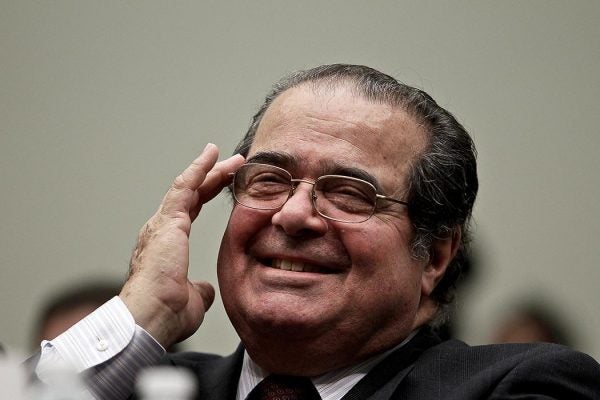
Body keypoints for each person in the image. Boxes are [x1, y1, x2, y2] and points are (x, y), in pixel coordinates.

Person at [33, 64, 599, 399]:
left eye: (349, 193)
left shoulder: (526, 385)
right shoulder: (139, 388)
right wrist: (138, 316)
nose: (293, 215)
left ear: (435, 256)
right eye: (269, 181)